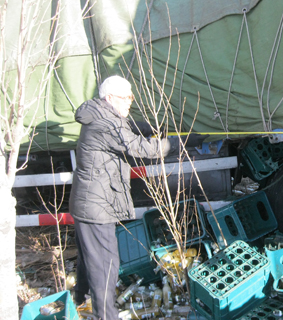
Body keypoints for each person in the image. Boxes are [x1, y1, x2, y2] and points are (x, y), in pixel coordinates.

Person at [69, 75, 204, 319]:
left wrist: (155, 128)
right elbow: (143, 149)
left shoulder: (102, 115)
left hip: (88, 202)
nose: (131, 102)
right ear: (110, 98)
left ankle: (79, 299)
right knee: (105, 264)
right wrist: (177, 143)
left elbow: (129, 127)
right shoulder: (105, 124)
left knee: (89, 256)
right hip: (96, 206)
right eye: (126, 97)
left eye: (131, 96)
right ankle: (105, 315)